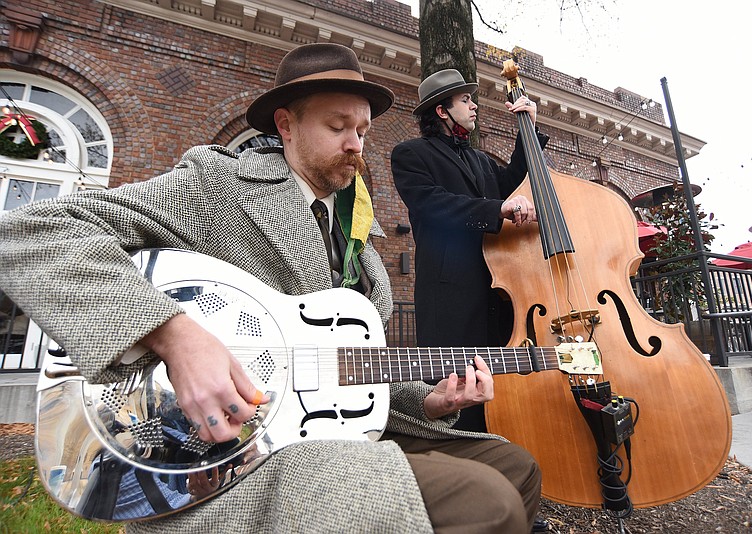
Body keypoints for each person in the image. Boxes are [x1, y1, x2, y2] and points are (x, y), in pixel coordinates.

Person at [0, 44, 542, 533]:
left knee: (517, 469)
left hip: (330, 434)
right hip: (235, 452)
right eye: (337, 127)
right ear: (285, 125)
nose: (356, 146)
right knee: (487, 504)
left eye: (363, 131)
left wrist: (429, 399)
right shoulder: (216, 189)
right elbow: (29, 234)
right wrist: (174, 335)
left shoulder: (361, 246)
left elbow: (349, 374)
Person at [391, 69, 549, 433]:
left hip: (497, 284)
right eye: (465, 100)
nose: (474, 105)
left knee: (498, 381)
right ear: (442, 111)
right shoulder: (411, 154)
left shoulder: (479, 159)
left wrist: (529, 130)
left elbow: (511, 182)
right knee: (458, 386)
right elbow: (434, 204)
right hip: (451, 293)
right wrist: (496, 210)